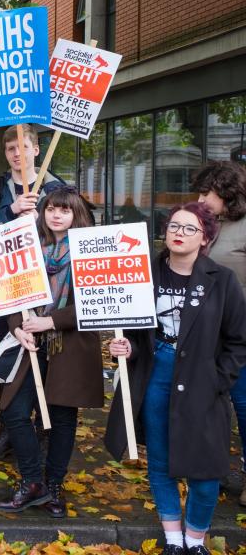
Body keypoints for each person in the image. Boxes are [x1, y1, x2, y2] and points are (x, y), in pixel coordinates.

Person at [106, 203, 246, 555]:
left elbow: (238, 340)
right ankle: (173, 540)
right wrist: (126, 349)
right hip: (156, 375)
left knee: (206, 468)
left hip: (203, 379)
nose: (178, 233)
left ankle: (195, 540)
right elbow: (137, 336)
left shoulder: (222, 280)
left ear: (206, 238)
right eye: (173, 226)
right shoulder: (142, 274)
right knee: (160, 462)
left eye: (189, 228)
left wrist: (218, 381)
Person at [0, 187, 101, 518]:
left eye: (65, 210)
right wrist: (17, 327)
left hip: (69, 346)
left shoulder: (89, 252)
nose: (56, 215)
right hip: (31, 343)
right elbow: (13, 294)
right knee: (14, 410)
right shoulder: (29, 247)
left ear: (77, 215)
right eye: (51, 209)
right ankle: (32, 481)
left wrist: (50, 321)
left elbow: (95, 305)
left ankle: (54, 483)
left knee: (61, 418)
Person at [0, 124, 66, 462]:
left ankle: (42, 431)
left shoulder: (58, 189)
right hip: (7, 292)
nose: (16, 154)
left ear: (36, 150)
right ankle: (9, 427)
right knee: (11, 359)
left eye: (23, 147)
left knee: (48, 362)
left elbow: (73, 236)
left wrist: (42, 215)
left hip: (49, 295)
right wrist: (10, 213)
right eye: (10, 149)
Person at [191, 160, 246, 506]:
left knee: (243, 403)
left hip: (239, 333)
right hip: (205, 332)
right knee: (211, 404)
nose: (200, 198)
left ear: (227, 193)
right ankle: (216, 469)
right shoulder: (203, 225)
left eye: (206, 191)